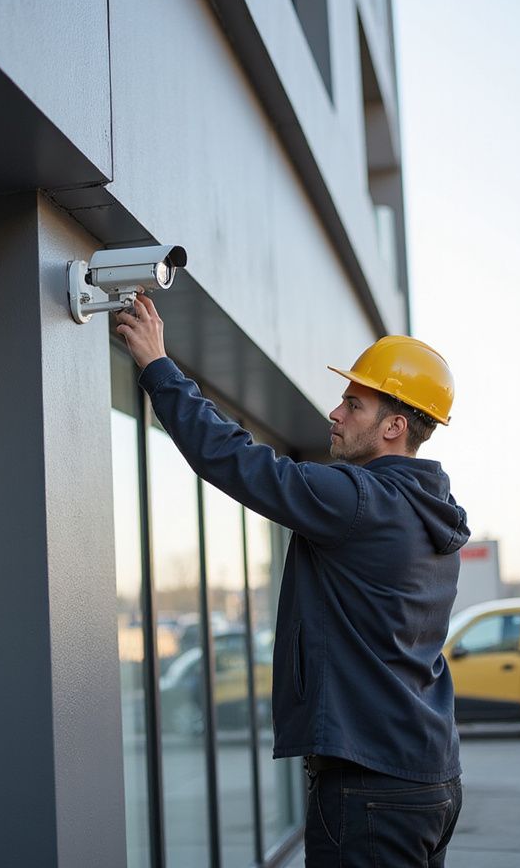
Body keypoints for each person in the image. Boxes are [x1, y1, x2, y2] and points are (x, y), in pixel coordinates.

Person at [116, 293, 469, 868]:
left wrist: (159, 367)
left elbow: (236, 461)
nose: (335, 412)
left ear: (394, 426)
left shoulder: (361, 500)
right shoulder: (432, 512)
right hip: (431, 781)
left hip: (370, 787)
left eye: (353, 404)